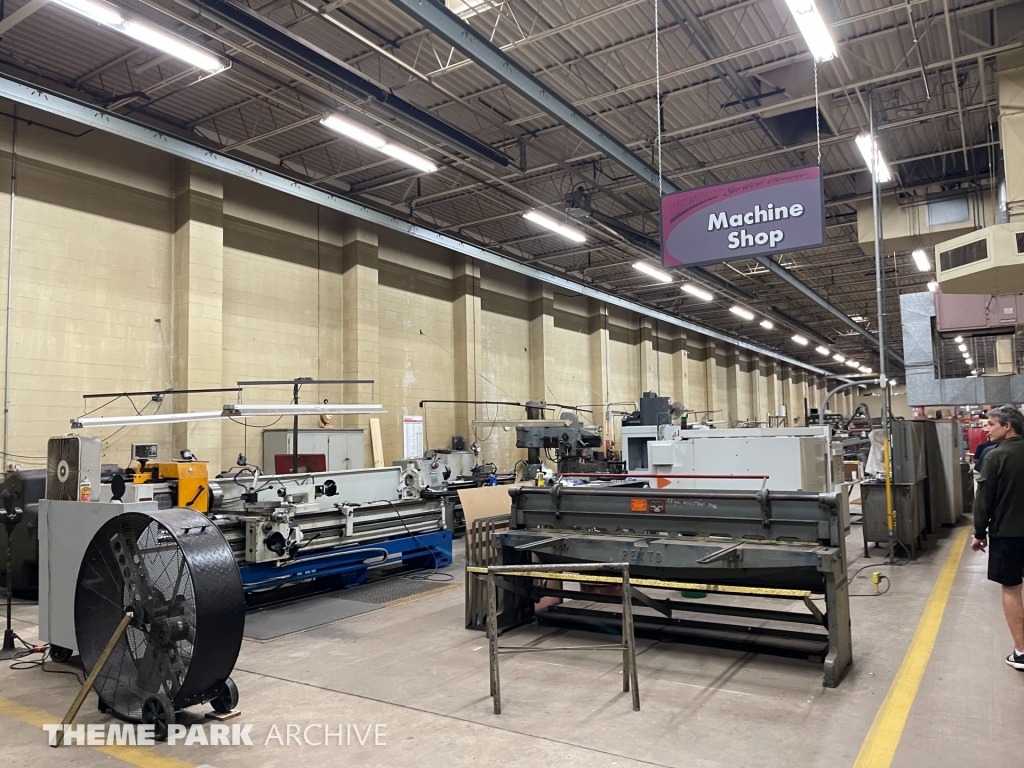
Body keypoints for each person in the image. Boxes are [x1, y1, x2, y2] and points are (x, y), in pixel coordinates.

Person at [971, 404, 1024, 669]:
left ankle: (1022, 651)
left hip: (1008, 534)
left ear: (1007, 426)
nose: (987, 430)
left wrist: (979, 533)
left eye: (991, 424)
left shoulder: (995, 457)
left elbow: (984, 501)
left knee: (1012, 589)